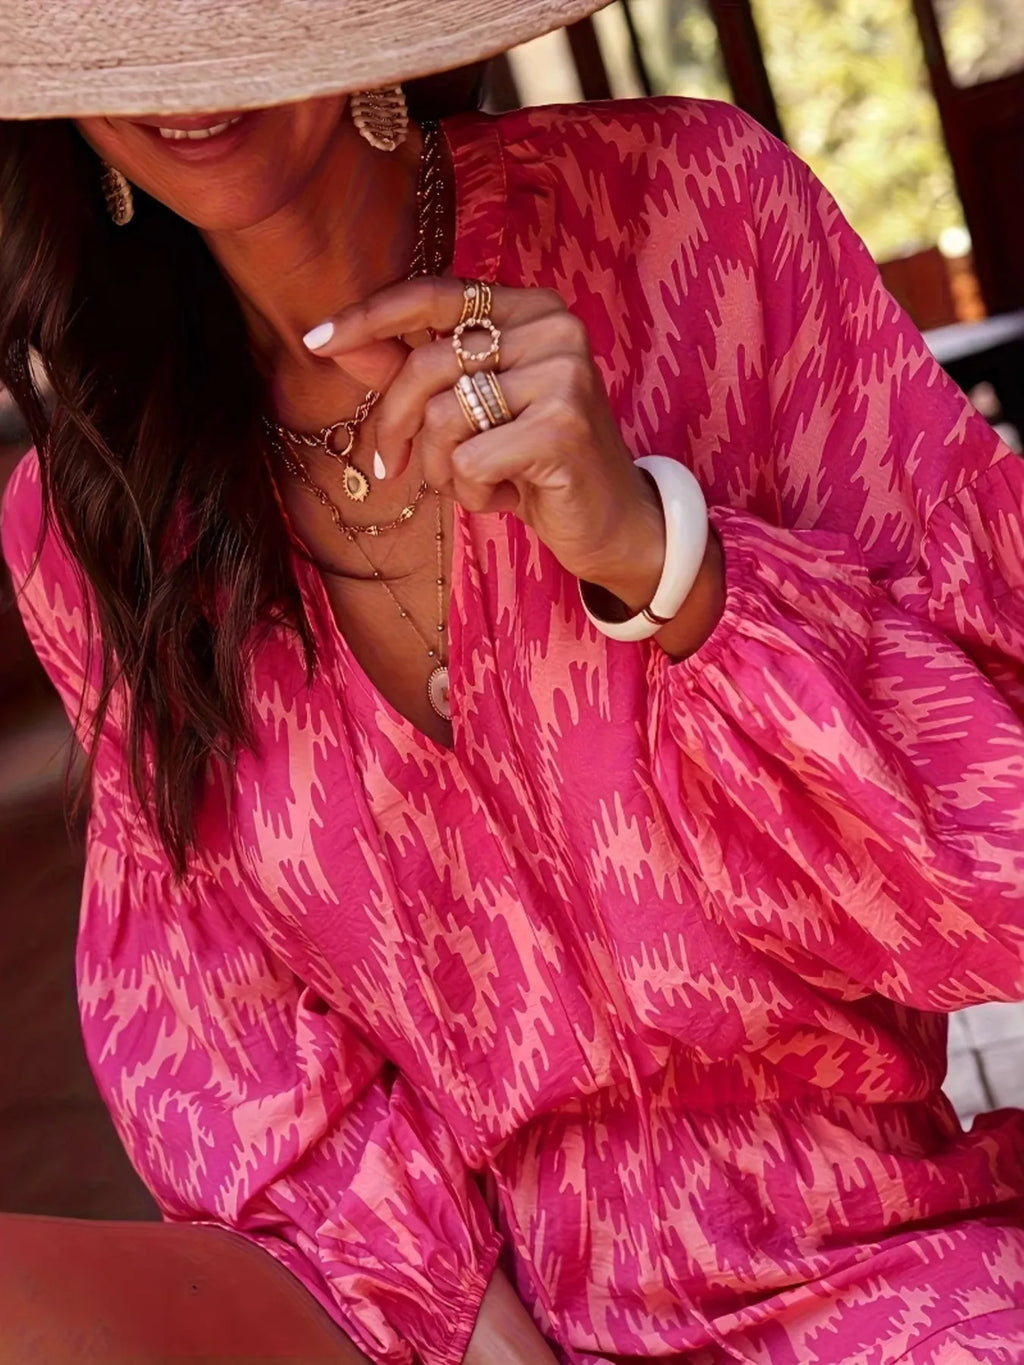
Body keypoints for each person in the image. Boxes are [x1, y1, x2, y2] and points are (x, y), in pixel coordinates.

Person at [2, 1, 1024, 1362]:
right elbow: (230, 1064)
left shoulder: (687, 215)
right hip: (459, 1332)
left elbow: (999, 838)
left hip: (883, 1276)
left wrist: (660, 555)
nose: (188, 68)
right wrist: (485, 1341)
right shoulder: (91, 523)